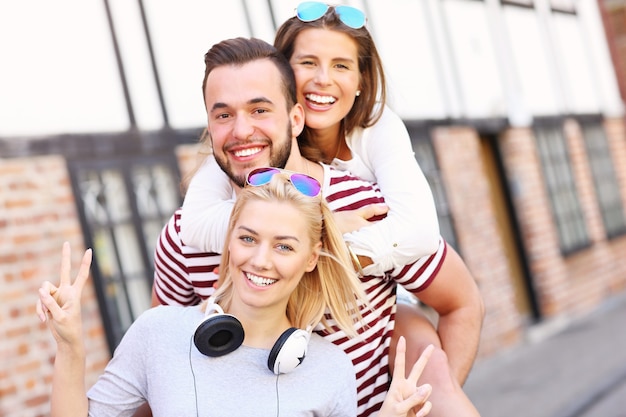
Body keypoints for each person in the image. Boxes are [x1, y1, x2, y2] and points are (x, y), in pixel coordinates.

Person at [153, 36, 483, 417]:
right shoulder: (184, 237)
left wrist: (438, 394)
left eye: (259, 110)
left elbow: (461, 303)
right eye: (223, 115)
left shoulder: (365, 209)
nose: (241, 131)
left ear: (296, 119)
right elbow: (161, 361)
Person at [36, 174, 435, 417]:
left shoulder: (331, 370)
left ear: (311, 258)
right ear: (229, 242)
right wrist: (70, 348)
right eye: (248, 238)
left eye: (283, 246)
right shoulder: (158, 332)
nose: (260, 260)